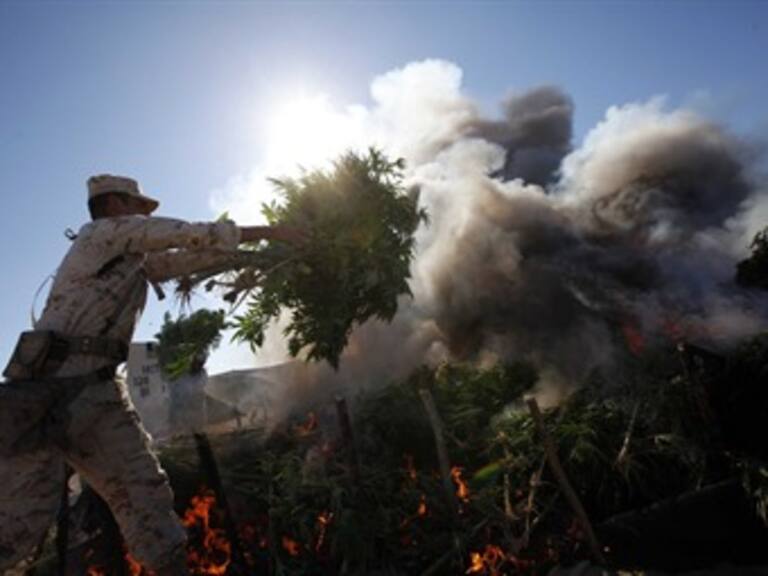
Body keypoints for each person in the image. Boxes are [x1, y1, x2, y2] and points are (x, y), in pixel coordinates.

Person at [0, 174, 300, 575]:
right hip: (42, 398)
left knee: (145, 497)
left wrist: (256, 255)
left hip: (98, 398)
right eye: (135, 208)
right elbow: (184, 234)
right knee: (18, 527)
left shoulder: (133, 265)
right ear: (111, 205)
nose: (141, 217)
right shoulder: (99, 237)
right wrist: (273, 230)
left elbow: (190, 258)